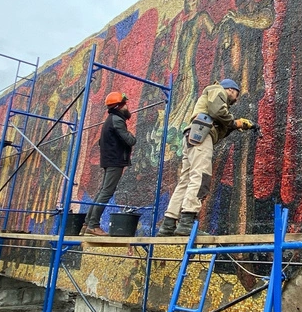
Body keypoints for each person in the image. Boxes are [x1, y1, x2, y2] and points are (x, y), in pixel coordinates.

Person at [156, 78, 255, 237]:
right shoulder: (217, 90)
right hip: (201, 136)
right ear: (230, 89)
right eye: (236, 94)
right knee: (201, 176)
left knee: (186, 180)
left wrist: (235, 125)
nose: (236, 99)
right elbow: (218, 111)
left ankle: (168, 224)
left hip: (193, 135)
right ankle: (186, 223)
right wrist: (234, 122)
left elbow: (219, 123)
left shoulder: (211, 98)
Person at [82, 91, 136, 236]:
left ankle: (87, 223)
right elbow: (130, 140)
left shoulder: (110, 120)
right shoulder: (117, 121)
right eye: (125, 104)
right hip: (115, 161)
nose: (127, 107)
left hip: (109, 160)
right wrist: (131, 135)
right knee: (106, 192)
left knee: (102, 191)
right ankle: (93, 225)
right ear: (119, 106)